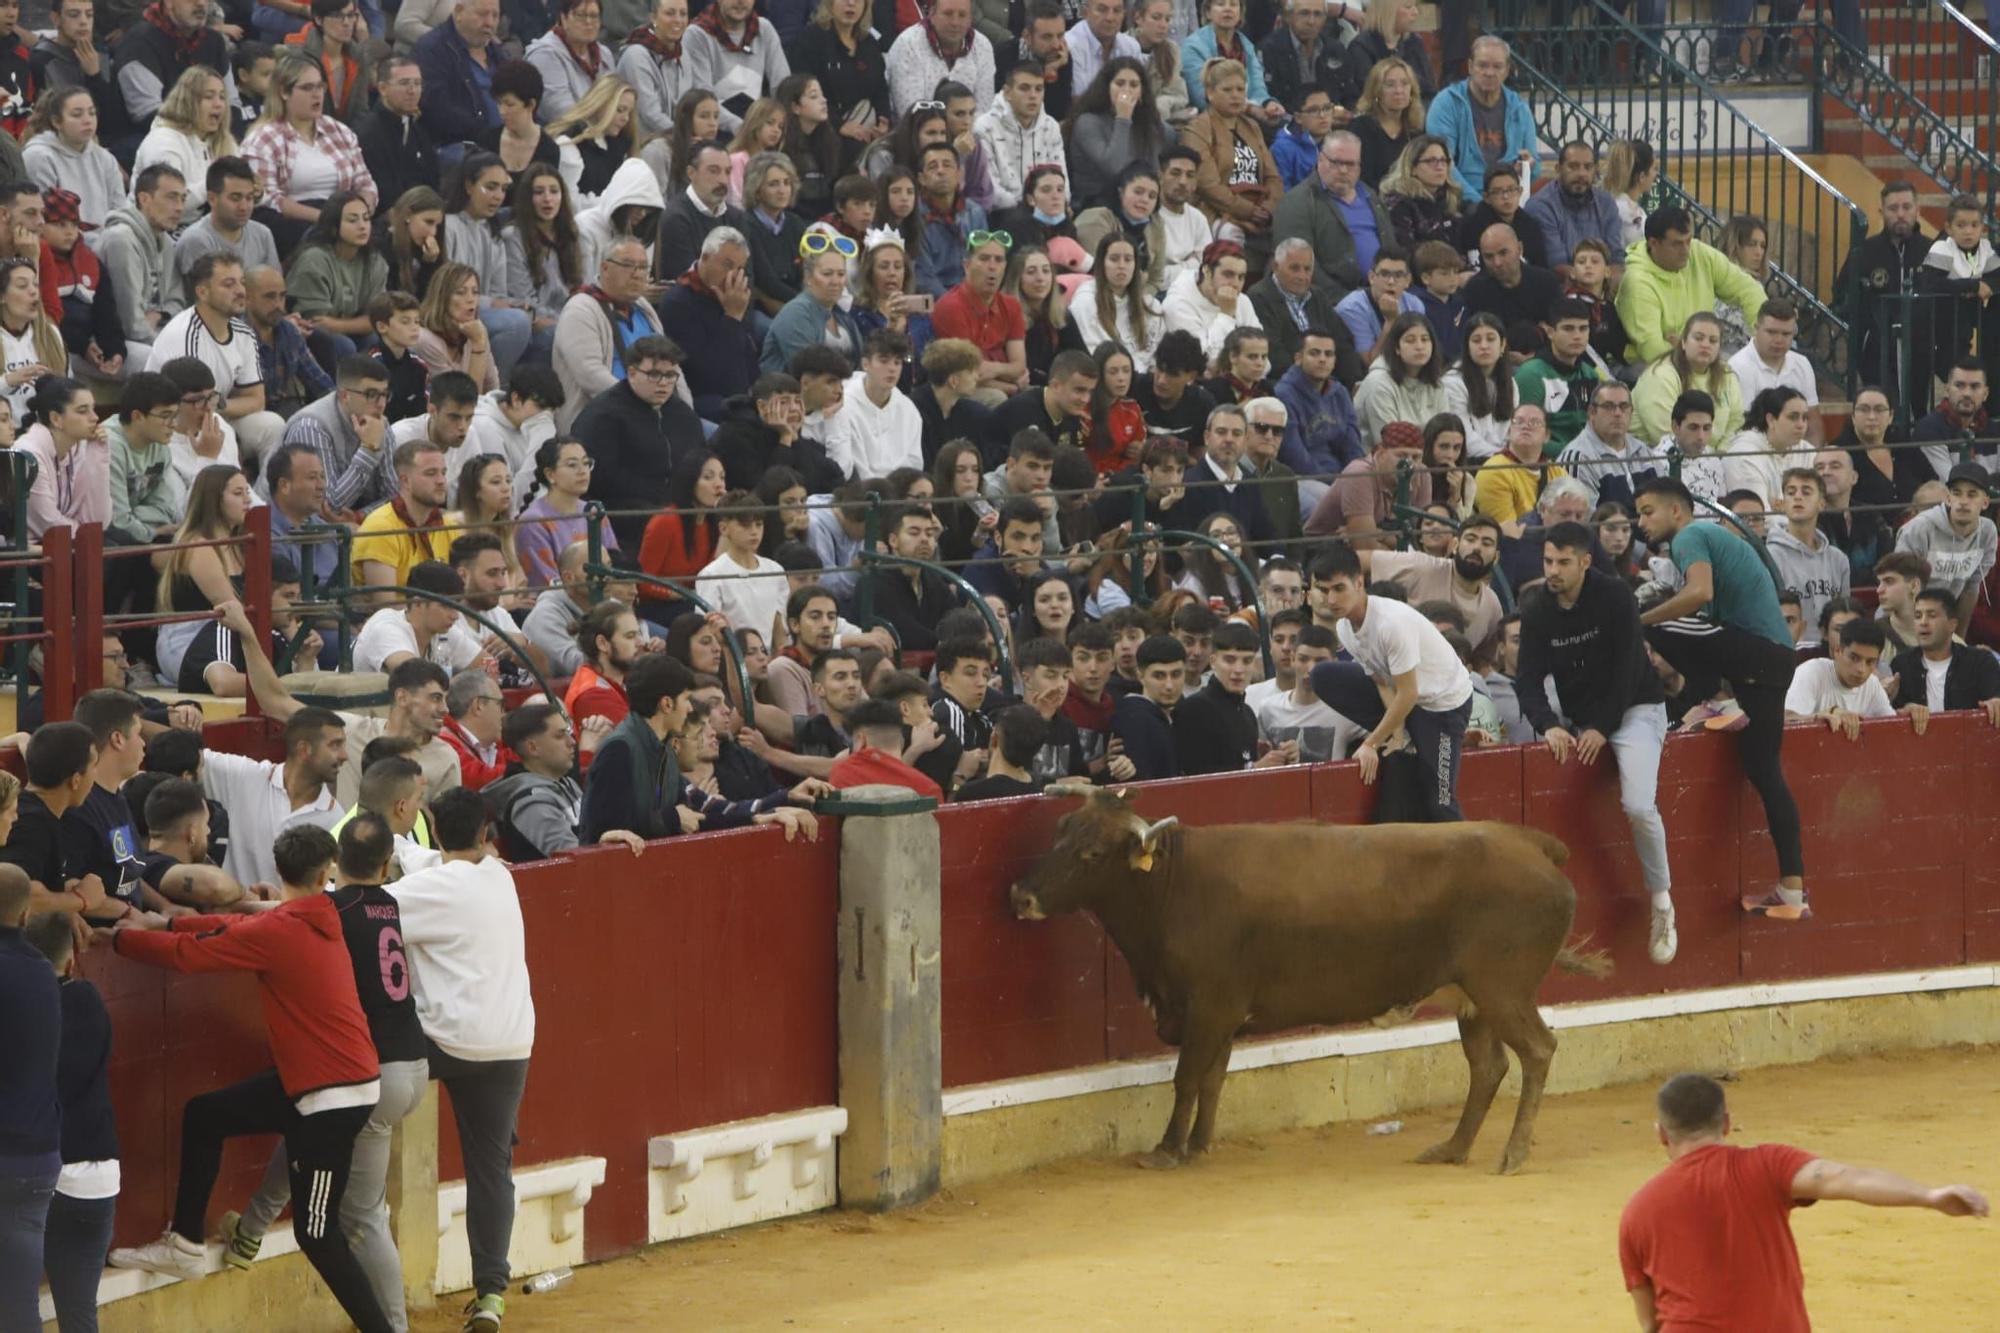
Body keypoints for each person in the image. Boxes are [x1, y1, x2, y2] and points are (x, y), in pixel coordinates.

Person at [101, 819, 393, 1332]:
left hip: (332, 1099)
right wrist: (164, 924)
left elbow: (193, 956)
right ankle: (187, 1242)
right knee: (206, 1114)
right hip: (317, 1082)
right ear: (326, 872)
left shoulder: (281, 927)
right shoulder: (316, 913)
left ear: (277, 869)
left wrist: (124, 939)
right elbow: (235, 930)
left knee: (317, 1234)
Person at [1618, 1072, 1988, 1333]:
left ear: (1662, 1134)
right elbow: (1846, 1178)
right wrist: (1928, 1196)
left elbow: (1650, 1323)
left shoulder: (1637, 1212)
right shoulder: (1766, 1165)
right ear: (1727, 1123)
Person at [1634, 476, 1808, 919]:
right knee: (1765, 773)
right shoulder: (1708, 537)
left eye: (1647, 511)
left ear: (1677, 510)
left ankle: (1718, 699)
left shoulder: (1691, 535)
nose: (1641, 522)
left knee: (1652, 621)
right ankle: (1792, 891)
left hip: (1753, 651)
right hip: (1776, 659)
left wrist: (1640, 622)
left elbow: (1699, 594)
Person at [1517, 520, 1677, 963]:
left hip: (1636, 709)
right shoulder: (1537, 609)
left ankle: (1662, 901)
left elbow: (1629, 667)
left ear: (1586, 562)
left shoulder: (1614, 596)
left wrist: (1601, 727)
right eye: (1549, 560)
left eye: (1564, 562)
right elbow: (1526, 678)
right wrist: (1548, 723)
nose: (1553, 570)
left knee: (1639, 805)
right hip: (1579, 718)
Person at [1308, 541, 1472, 819]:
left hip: (1443, 706)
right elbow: (1381, 681)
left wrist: (1370, 744)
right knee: (1323, 675)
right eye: (1323, 591)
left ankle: (1471, 861)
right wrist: (1396, 733)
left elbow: (1408, 693)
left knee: (1441, 801)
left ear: (1359, 583)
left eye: (1339, 589)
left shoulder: (1391, 624)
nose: (1331, 600)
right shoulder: (1345, 627)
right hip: (1406, 697)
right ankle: (1405, 737)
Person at [146, 252, 286, 466]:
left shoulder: (244, 333)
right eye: (228, 284)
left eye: (241, 283)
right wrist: (217, 409)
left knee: (272, 425)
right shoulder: (184, 334)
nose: (240, 291)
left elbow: (256, 400)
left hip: (212, 413)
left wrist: (217, 404)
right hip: (173, 423)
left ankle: (262, 496)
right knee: (221, 431)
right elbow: (187, 408)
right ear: (202, 292)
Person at [240, 52, 379, 256]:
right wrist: (326, 218)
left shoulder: (339, 131)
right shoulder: (263, 139)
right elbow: (267, 198)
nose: (317, 94)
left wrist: (359, 215)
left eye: (320, 87)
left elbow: (365, 183)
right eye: (307, 88)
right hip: (295, 223)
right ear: (284, 92)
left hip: (345, 216)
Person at [1617, 205, 1769, 365]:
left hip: (1698, 357)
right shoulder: (1637, 281)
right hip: (1649, 369)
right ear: (1654, 243)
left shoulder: (1699, 253)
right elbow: (1652, 350)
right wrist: (1690, 353)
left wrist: (1760, 342)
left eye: (1688, 241)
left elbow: (1750, 289)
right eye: (1677, 244)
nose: (1686, 250)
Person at [1836, 178, 1932, 408]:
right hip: (1875, 351)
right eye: (1893, 208)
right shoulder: (1865, 250)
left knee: (1918, 410)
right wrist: (1865, 331)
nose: (1900, 214)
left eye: (1906, 207)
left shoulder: (1932, 251)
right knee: (1880, 410)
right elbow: (1842, 292)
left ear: (1917, 210)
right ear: (1882, 212)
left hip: (1921, 348)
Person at [1181, 59, 1280, 264]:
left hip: (1259, 208)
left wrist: (1268, 208)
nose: (1235, 95)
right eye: (1227, 89)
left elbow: (1273, 177)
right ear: (1210, 92)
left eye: (1240, 89)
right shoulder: (1197, 129)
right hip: (1216, 211)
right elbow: (1208, 186)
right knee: (1232, 234)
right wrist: (1248, 211)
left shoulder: (1252, 127)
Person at [1421, 37, 1533, 198]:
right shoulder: (1446, 103)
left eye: (1497, 66)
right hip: (1459, 198)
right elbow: (1444, 164)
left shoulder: (1519, 108)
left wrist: (1529, 167)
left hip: (1507, 198)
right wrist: (1480, 203)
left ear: (1507, 70)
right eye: (1483, 65)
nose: (1489, 73)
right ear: (1470, 67)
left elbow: (1533, 164)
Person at [1894, 462, 1998, 632]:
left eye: (1972, 495)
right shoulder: (1918, 529)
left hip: (1942, 626)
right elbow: (1901, 588)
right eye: (1957, 493)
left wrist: (1959, 639)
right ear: (1948, 498)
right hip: (1902, 624)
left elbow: (1971, 588)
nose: (1963, 501)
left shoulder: (1988, 532)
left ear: (1985, 502)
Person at [98, 164, 183, 366]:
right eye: (171, 197)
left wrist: (160, 314)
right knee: (174, 363)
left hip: (156, 332)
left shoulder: (167, 242)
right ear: (144, 199)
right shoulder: (120, 240)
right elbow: (131, 324)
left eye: (183, 198)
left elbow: (177, 302)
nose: (180, 207)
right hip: (117, 343)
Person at [131, 67, 233, 231]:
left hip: (201, 225)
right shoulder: (163, 141)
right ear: (188, 101)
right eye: (209, 97)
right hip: (156, 228)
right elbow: (168, 203)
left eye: (222, 97)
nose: (219, 104)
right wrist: (215, 182)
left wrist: (256, 191)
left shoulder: (223, 141)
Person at [1892, 583, 2000, 730]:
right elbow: (1890, 712)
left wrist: (1995, 702)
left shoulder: (1981, 662)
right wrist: (1906, 708)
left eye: (1932, 615)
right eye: (1918, 616)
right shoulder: (1901, 665)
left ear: (1952, 625)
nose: (1923, 622)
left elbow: (1994, 696)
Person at [21, 86, 123, 239]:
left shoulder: (105, 158)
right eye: (77, 115)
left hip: (107, 241)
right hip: (64, 243)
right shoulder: (39, 156)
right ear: (56, 122)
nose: (87, 120)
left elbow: (120, 210)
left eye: (92, 113)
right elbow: (45, 218)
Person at [412, 0, 507, 158]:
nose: (490, 22)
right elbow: (436, 108)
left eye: (495, 15)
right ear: (459, 12)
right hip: (454, 145)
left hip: (503, 140)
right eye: (482, 14)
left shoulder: (497, 53)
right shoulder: (431, 49)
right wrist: (488, 135)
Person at [1520, 140, 1624, 282]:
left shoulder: (1606, 202)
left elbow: (1616, 258)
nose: (1581, 174)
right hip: (1560, 290)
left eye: (1588, 167)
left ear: (1595, 170)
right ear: (1558, 168)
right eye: (1573, 167)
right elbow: (1557, 265)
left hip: (1602, 286)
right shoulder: (1541, 206)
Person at [1726, 299, 1822, 447]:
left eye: (1786, 334)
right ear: (1755, 329)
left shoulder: (1802, 364)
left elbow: (1813, 423)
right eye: (1771, 332)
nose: (1778, 340)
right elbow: (1745, 428)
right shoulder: (1738, 366)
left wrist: (1815, 461)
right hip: (1754, 451)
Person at [1785, 614, 1896, 734]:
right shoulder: (1811, 672)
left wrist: (1909, 713)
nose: (1861, 669)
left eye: (1870, 662)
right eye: (1854, 658)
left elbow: (1894, 727)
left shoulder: (1872, 684)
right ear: (1838, 651)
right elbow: (1785, 719)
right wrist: (1825, 714)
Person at [885, 0, 993, 121]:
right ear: (931, 15)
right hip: (917, 134)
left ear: (970, 19)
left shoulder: (983, 46)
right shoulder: (908, 44)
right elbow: (911, 113)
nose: (955, 22)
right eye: (948, 14)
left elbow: (983, 112)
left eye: (962, 15)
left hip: (968, 134)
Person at [356, 57, 436, 214]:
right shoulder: (367, 134)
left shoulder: (417, 130)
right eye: (404, 83)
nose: (412, 91)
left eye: (418, 84)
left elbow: (433, 181)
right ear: (383, 89)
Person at [1353, 311, 1447, 445]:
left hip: (1429, 460)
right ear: (1396, 347)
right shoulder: (1378, 383)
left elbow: (1446, 434)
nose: (1420, 347)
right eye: (1410, 340)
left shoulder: (1436, 383)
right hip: (1381, 462)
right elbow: (1389, 443)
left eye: (1425, 339)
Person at [1721, 385, 1818, 512]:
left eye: (1804, 418)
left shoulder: (1806, 450)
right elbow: (1758, 516)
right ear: (1771, 420)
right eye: (1793, 417)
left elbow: (1819, 503)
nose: (1801, 425)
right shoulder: (1744, 454)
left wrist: (1781, 506)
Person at [1333, 246, 1422, 362]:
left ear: (1407, 280)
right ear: (1372, 277)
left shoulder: (1414, 304)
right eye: (1384, 274)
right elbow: (1370, 363)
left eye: (1398, 275)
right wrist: (1391, 322)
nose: (1391, 282)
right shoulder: (1351, 309)